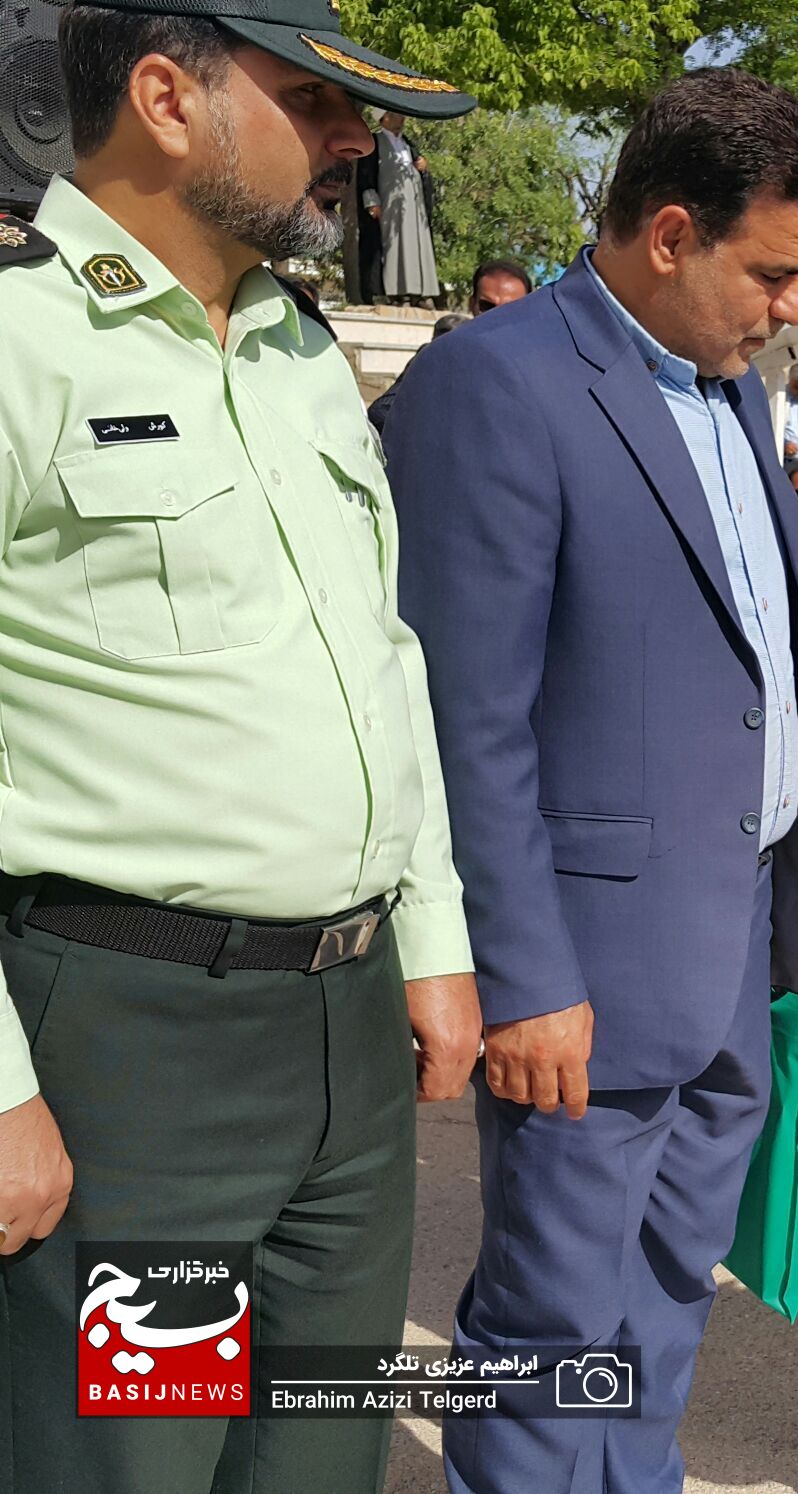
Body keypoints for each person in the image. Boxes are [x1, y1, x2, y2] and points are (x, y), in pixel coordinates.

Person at [0, 4, 477, 1489]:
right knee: (140, 1467)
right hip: (144, 1054)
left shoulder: (293, 349)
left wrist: (433, 932)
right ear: (165, 96)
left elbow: (382, 661)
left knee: (317, 1460)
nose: (357, 142)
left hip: (343, 1041)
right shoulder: (21, 345)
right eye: (313, 99)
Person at [384, 70, 798, 1493]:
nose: (789, 311)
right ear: (666, 232)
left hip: (733, 948)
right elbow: (472, 717)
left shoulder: (725, 390)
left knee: (661, 1303)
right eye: (771, 275)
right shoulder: (500, 384)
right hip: (588, 973)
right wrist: (521, 974)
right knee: (547, 1320)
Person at [368, 260, 528, 435]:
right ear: (472, 305)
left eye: (510, 308)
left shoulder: (545, 367)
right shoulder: (441, 355)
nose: (496, 317)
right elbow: (381, 413)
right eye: (487, 306)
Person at [356, 108, 439, 306]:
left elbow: (420, 171)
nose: (402, 119)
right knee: (395, 249)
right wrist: (371, 202)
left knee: (417, 247)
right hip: (390, 207)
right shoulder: (375, 142)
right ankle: (396, 292)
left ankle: (419, 293)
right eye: (396, 116)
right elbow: (365, 175)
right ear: (384, 118)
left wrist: (423, 169)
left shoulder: (408, 144)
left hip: (414, 208)